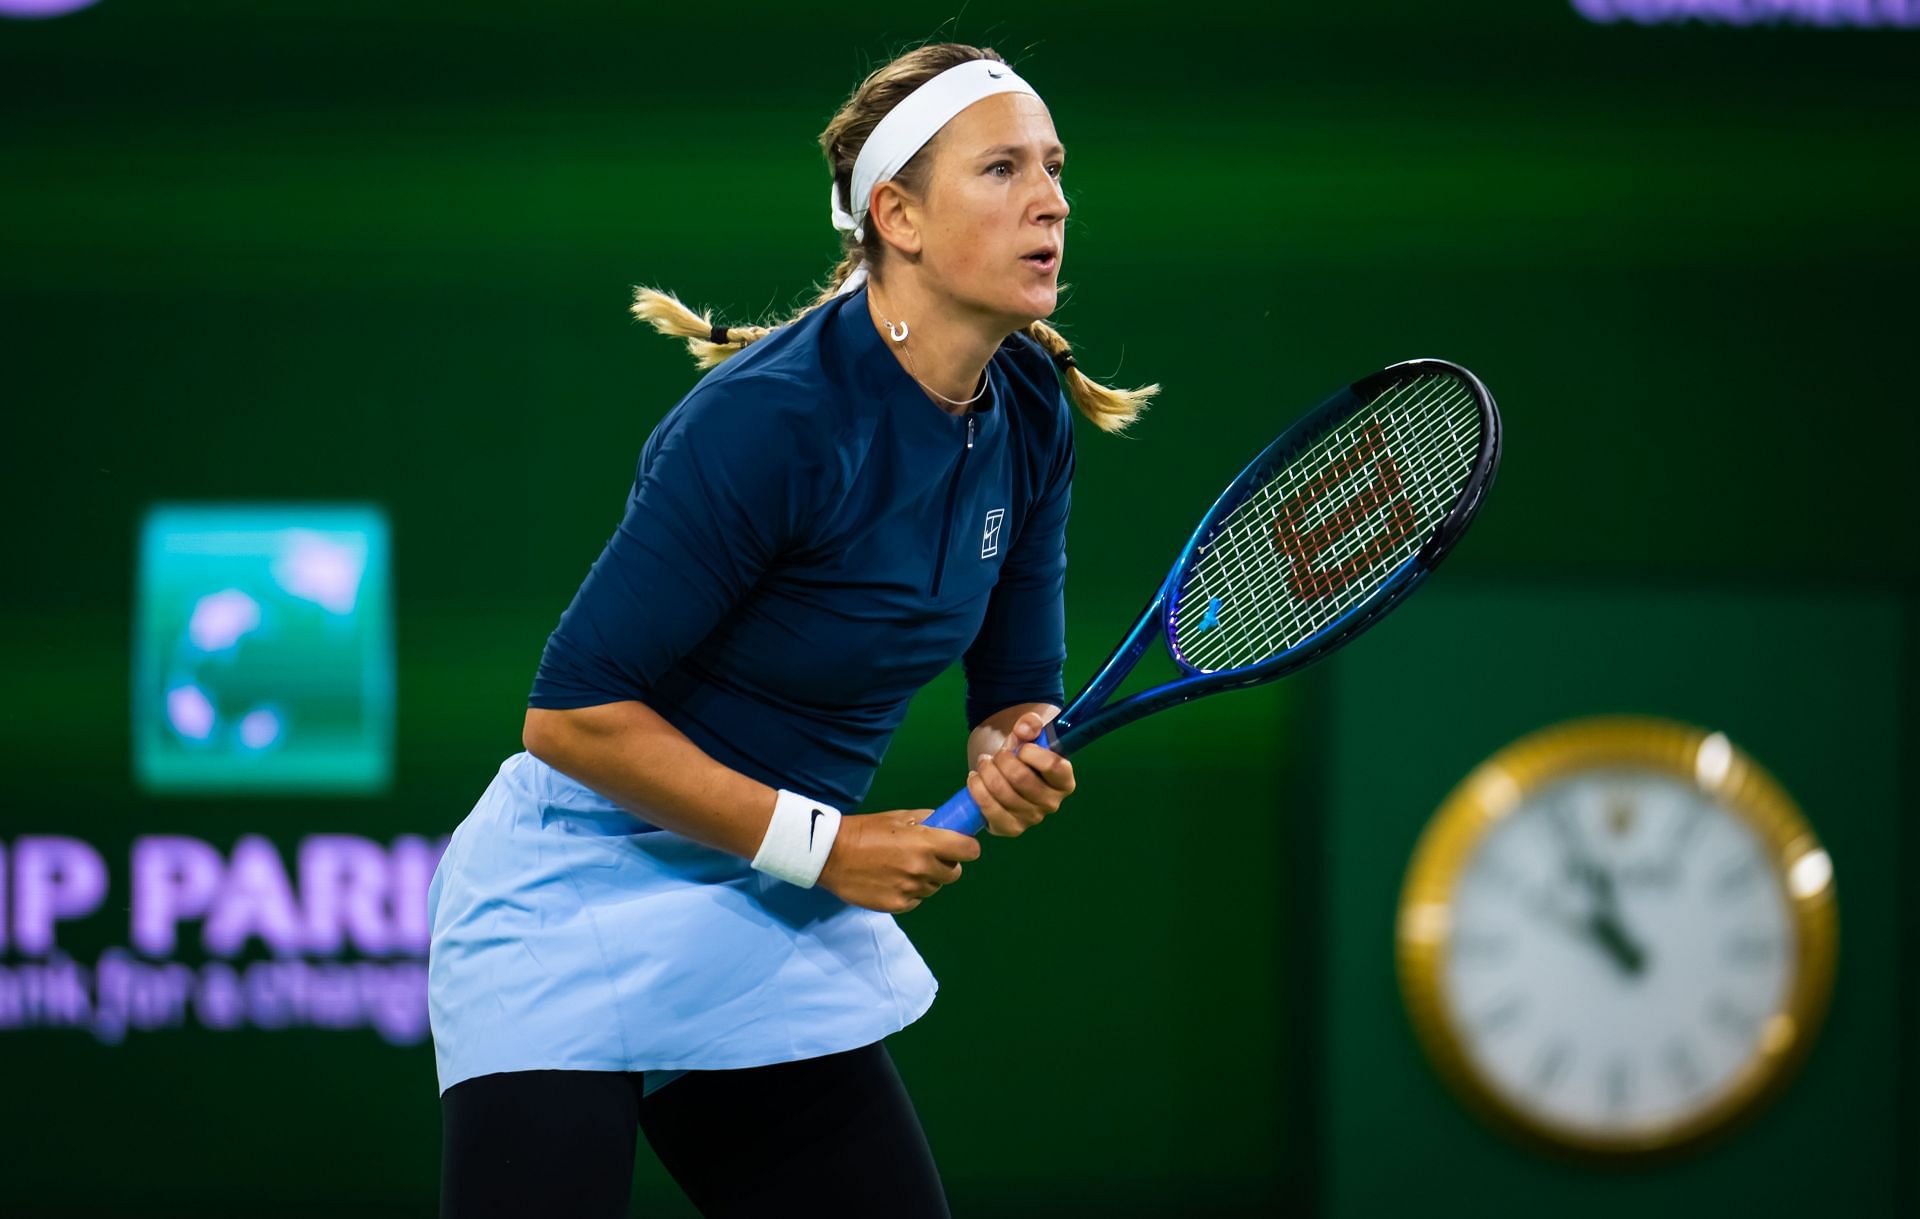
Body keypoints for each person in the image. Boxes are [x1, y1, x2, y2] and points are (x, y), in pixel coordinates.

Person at [427, 40, 1157, 1219]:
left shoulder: (1027, 407)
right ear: (898, 217)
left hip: (760, 910)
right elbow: (569, 717)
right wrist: (830, 849)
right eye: (1004, 168)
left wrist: (1008, 747)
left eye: (1057, 168)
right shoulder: (769, 420)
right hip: (574, 899)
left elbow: (1014, 686)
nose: (1052, 199)